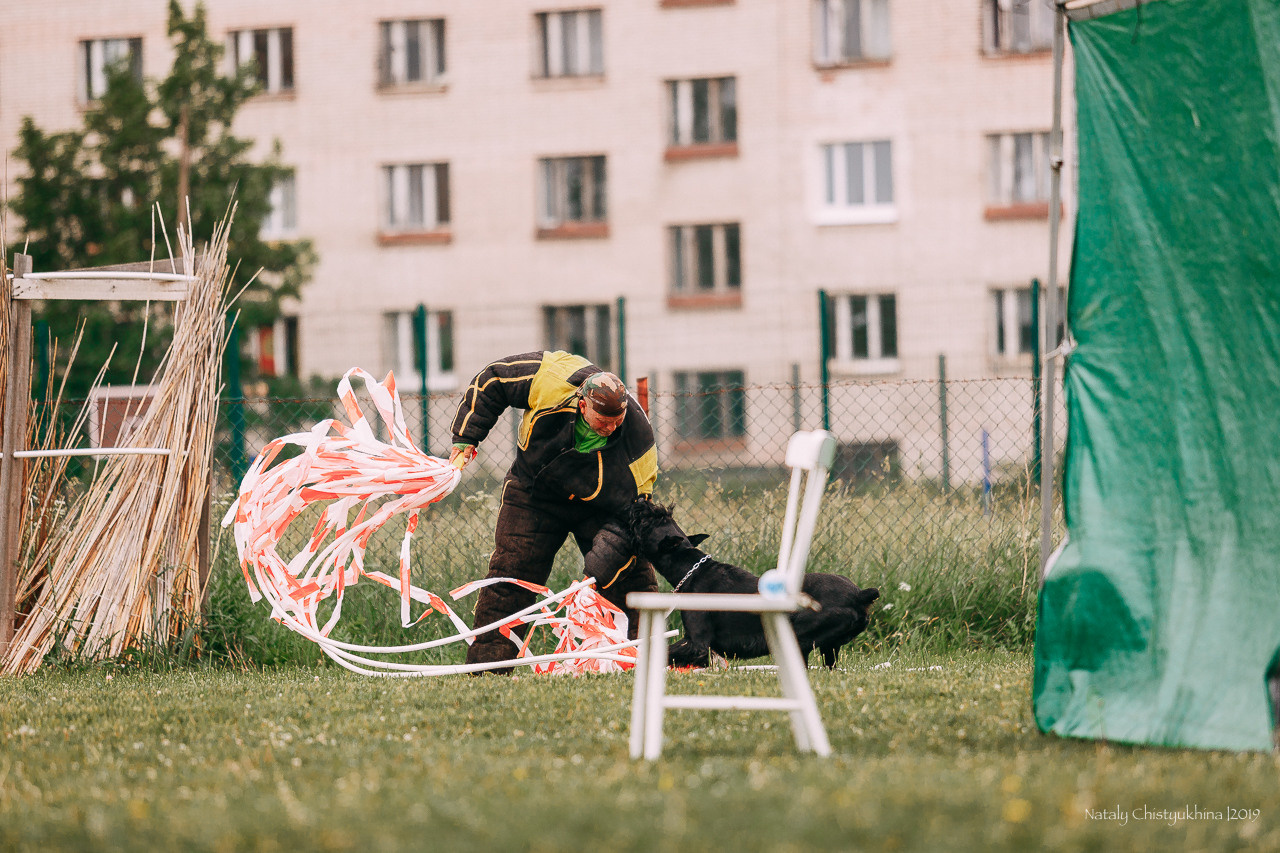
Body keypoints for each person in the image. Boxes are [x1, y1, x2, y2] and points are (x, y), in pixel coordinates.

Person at [448, 350, 659, 672]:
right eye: (603, 421)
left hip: (601, 506)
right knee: (511, 575)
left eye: (617, 421)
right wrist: (467, 436)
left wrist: (622, 542)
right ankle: (488, 669)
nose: (611, 428)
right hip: (535, 493)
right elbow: (494, 379)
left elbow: (640, 499)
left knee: (632, 579)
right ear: (582, 404)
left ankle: (645, 663)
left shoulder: (637, 434)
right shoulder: (550, 380)